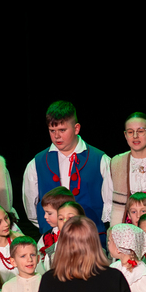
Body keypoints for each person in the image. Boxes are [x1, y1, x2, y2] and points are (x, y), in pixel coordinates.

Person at [22, 101, 113, 238]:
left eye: (62, 130)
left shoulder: (100, 160)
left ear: (76, 128)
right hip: (53, 238)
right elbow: (31, 206)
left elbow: (110, 204)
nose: (57, 136)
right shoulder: (37, 163)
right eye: (52, 131)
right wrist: (49, 226)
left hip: (91, 237)